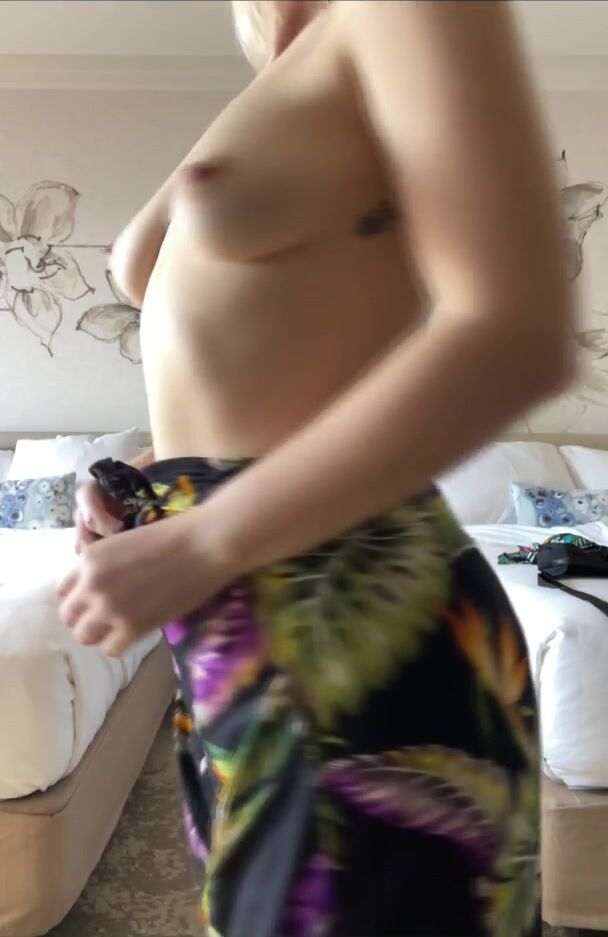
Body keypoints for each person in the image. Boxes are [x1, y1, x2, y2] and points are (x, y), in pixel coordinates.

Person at [58, 2, 574, 935]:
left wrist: (205, 537)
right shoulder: (281, 67)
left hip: (351, 618)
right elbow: (267, 371)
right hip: (234, 639)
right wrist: (156, 478)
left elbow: (516, 332)